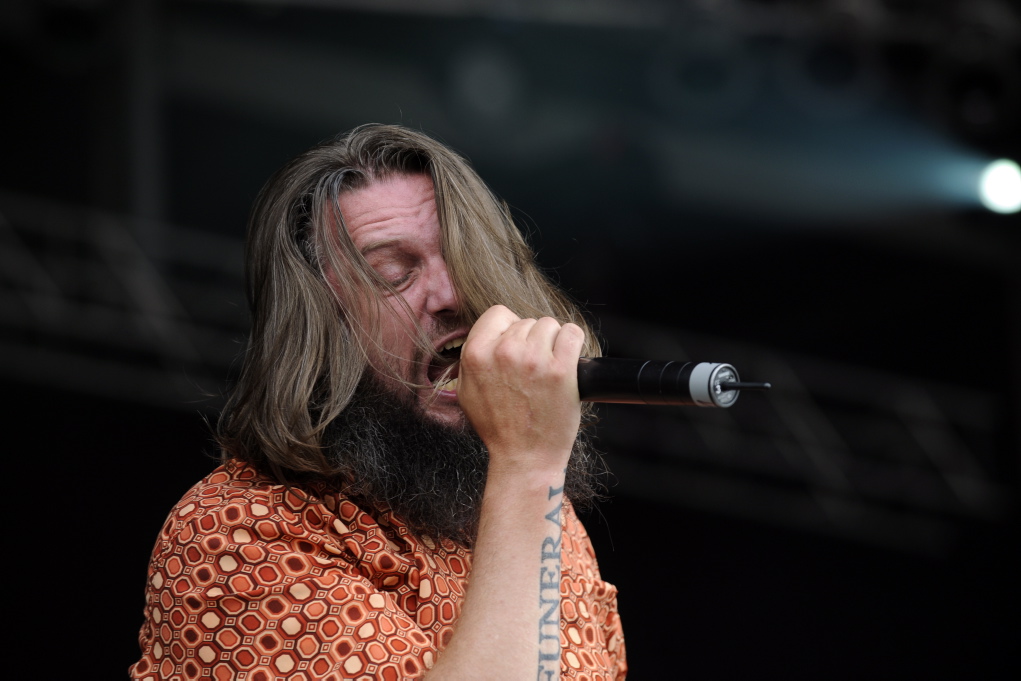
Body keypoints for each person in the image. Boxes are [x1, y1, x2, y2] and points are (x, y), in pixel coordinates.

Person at [129, 124, 626, 680]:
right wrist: (528, 467)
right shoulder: (238, 533)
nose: (451, 295)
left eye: (464, 259)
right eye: (394, 273)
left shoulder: (544, 518)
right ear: (321, 329)